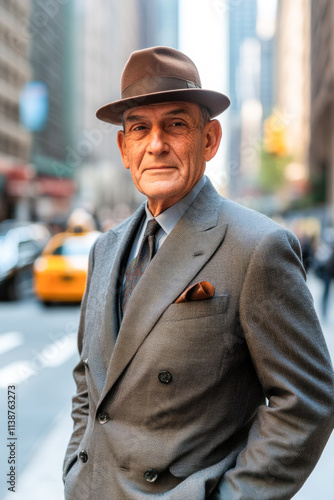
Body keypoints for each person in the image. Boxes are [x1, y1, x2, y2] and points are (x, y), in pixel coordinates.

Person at [63, 46, 334, 500]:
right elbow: (88, 384)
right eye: (139, 129)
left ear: (209, 140)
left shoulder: (257, 247)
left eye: (175, 124)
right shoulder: (103, 250)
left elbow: (305, 403)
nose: (156, 144)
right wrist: (76, 468)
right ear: (124, 148)